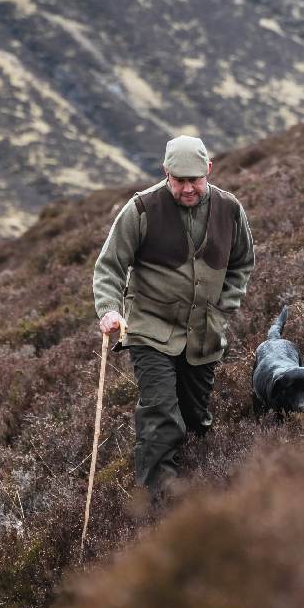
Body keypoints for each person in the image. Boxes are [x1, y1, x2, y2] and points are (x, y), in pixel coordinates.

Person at [93, 134, 254, 497]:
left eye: (194, 179)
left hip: (204, 335)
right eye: (178, 180)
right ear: (165, 173)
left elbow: (243, 263)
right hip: (150, 331)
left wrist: (225, 306)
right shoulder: (141, 210)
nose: (187, 188)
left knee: (196, 421)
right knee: (161, 417)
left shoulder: (230, 210)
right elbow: (110, 268)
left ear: (209, 170)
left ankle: (195, 495)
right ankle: (155, 505)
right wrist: (109, 311)